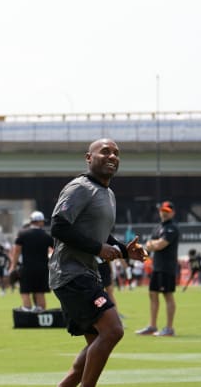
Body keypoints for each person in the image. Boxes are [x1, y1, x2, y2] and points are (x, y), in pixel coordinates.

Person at [49, 138, 147, 387]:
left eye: (116, 153)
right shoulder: (80, 187)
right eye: (105, 152)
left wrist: (125, 251)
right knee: (113, 330)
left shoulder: (108, 193)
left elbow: (100, 237)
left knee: (95, 346)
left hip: (86, 273)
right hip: (70, 274)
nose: (112, 156)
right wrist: (98, 248)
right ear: (88, 157)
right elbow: (59, 226)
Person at [137, 200, 179, 337]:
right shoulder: (158, 227)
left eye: (167, 211)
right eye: (162, 211)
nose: (164, 213)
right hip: (157, 266)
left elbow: (160, 244)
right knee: (153, 294)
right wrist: (152, 244)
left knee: (167, 295)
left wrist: (152, 244)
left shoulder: (172, 227)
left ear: (173, 213)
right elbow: (150, 245)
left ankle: (169, 328)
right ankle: (152, 326)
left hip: (167, 267)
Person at [11, 211, 54, 311]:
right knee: (40, 292)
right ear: (39, 222)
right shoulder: (46, 236)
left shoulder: (22, 234)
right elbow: (55, 251)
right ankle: (40, 311)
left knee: (25, 291)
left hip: (27, 267)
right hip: (42, 268)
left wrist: (13, 266)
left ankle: (27, 308)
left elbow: (17, 251)